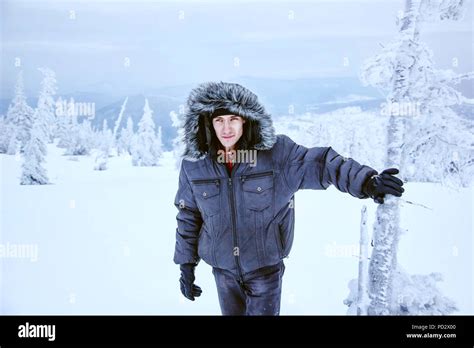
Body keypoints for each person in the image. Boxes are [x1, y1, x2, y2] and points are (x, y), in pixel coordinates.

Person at [173, 81, 404, 315]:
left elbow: (322, 163)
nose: (226, 128)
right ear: (208, 124)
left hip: (265, 271)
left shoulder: (277, 155)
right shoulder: (195, 166)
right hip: (223, 273)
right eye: (219, 121)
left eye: (233, 119)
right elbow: (188, 215)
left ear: (245, 119)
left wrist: (367, 181)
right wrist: (186, 265)